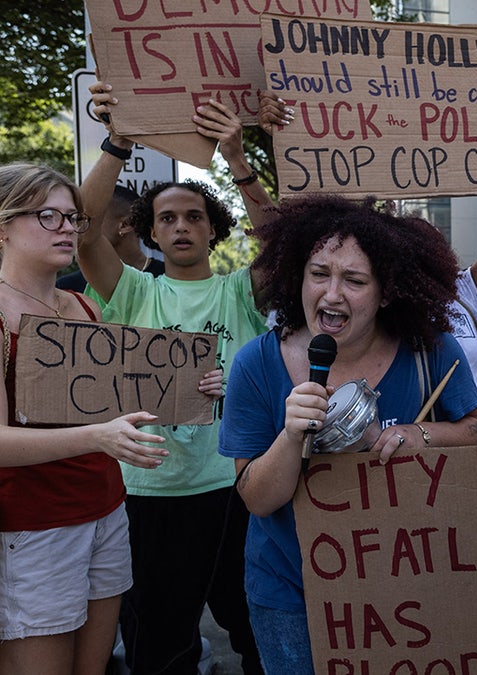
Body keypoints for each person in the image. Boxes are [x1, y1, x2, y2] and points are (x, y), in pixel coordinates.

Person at [219, 194, 477, 675]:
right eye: (318, 273)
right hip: (290, 595)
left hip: (408, 586)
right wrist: (290, 435)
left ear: (386, 293)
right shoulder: (255, 364)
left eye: (355, 281)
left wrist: (416, 435)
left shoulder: (432, 350)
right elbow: (257, 500)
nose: (332, 294)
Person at [81, 85, 270, 674]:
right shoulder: (134, 289)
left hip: (233, 489)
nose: (181, 226)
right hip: (147, 494)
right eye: (168, 219)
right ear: (151, 232)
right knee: (160, 645)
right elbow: (83, 233)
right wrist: (118, 142)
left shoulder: (239, 291)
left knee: (256, 630)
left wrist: (237, 159)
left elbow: (287, 246)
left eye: (194, 216)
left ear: (213, 229)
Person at [257, 94, 477, 398]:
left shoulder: (466, 294)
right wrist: (289, 135)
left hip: (468, 441)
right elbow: (294, 231)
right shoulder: (368, 305)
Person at [0, 163, 169, 675]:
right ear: (2, 226)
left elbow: (110, 405)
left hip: (105, 513)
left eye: (73, 218)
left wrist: (187, 390)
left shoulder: (82, 306)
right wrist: (98, 436)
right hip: (33, 527)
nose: (68, 229)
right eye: (48, 216)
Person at [56, 185, 163, 293]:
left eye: (87, 219)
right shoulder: (67, 287)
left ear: (125, 225)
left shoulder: (168, 279)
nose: (77, 227)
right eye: (76, 219)